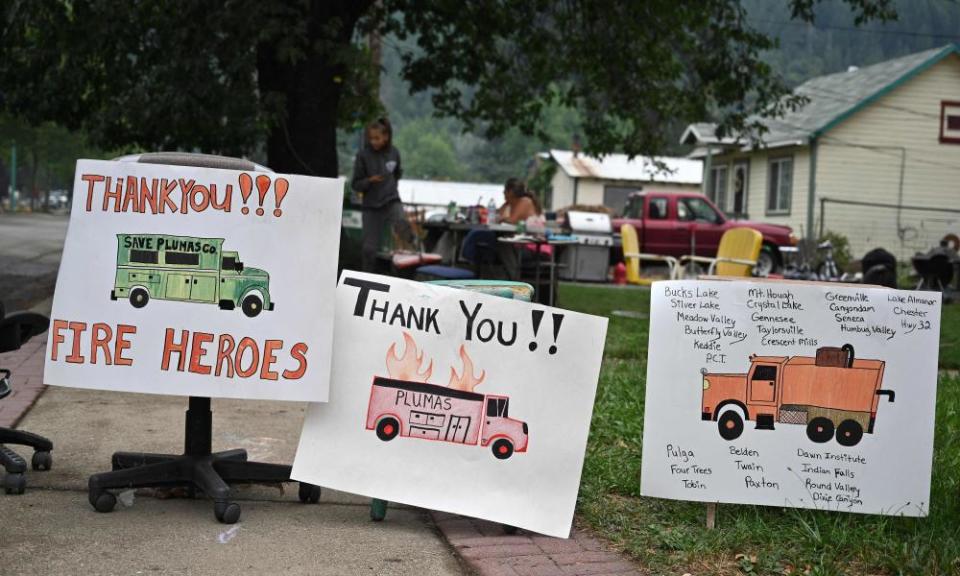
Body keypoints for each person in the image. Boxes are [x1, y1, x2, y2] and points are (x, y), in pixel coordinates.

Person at [352, 117, 415, 272]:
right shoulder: (363, 156)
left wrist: (391, 187)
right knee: (369, 249)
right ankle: (366, 276)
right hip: (371, 206)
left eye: (377, 138)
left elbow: (397, 173)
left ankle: (415, 249)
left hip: (391, 200)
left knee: (402, 223)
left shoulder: (394, 153)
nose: (374, 141)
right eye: (371, 138)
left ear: (386, 137)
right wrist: (369, 181)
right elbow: (356, 184)